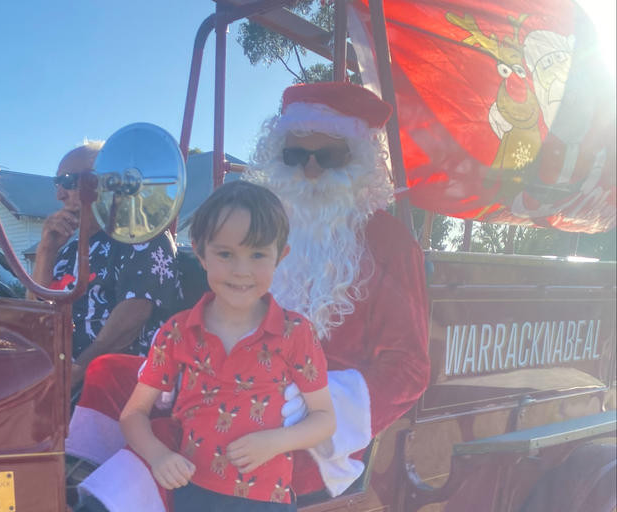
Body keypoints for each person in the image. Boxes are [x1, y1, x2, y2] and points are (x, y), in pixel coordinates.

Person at [70, 82, 431, 511]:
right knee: (109, 372)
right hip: (230, 375)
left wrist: (298, 405)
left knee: (174, 445)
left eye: (329, 157)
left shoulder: (386, 241)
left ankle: (114, 498)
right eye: (295, 156)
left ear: (360, 160)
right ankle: (79, 477)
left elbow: (409, 368)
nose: (310, 171)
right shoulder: (263, 224)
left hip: (308, 430)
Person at [119, 180, 335, 511]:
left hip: (268, 501)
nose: (241, 270)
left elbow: (324, 418)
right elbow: (133, 414)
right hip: (192, 493)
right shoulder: (177, 333)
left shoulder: (296, 333)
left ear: (281, 255)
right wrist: (158, 455)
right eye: (225, 253)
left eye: (258, 253)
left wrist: (275, 442)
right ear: (200, 252)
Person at [28, 141, 182, 391]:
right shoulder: (67, 250)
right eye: (56, 184)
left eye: (69, 181)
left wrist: (75, 372)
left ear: (107, 183)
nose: (59, 194)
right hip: (56, 380)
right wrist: (46, 252)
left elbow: (131, 319)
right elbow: (32, 319)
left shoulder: (142, 238)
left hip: (118, 387)